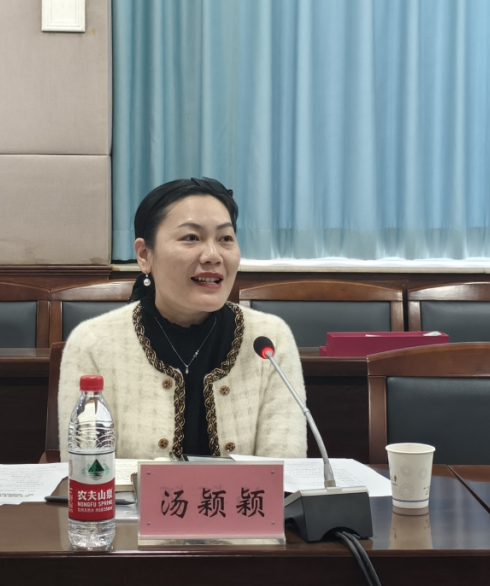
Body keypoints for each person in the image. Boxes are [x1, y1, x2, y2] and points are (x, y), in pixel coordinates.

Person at [58, 177, 307, 460]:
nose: (213, 255)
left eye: (225, 239)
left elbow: (284, 471)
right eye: (191, 238)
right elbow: (85, 470)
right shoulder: (93, 342)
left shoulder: (270, 340)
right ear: (144, 255)